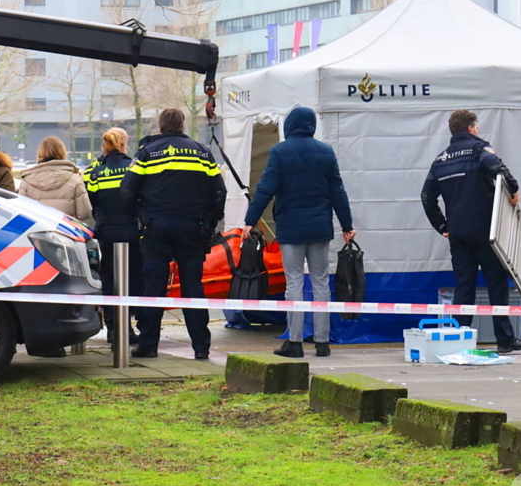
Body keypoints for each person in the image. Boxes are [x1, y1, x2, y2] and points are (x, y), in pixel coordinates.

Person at [242, 107, 355, 359]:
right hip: (319, 228)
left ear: (289, 125)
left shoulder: (280, 152)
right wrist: (347, 226)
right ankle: (323, 342)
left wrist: (249, 220)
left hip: (291, 228)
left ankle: (294, 342)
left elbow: (265, 189)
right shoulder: (325, 152)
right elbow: (338, 191)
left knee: (294, 282)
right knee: (320, 282)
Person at [421, 109, 521, 354]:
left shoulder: (440, 160)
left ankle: (459, 339)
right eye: (477, 128)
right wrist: (513, 190)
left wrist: (442, 226)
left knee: (464, 286)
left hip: (458, 234)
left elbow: (427, 196)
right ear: (471, 128)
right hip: (486, 231)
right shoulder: (479, 149)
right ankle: (505, 341)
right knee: (496, 284)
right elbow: (498, 169)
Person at [122, 108, 226, 360]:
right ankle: (201, 347)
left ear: (161, 126)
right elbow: (219, 192)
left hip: (156, 227)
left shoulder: (147, 153)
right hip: (192, 228)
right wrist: (209, 223)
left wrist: (141, 215)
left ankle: (148, 344)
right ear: (182, 126)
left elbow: (126, 190)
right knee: (193, 287)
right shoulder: (202, 152)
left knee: (153, 287)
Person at [84, 127, 142, 345]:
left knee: (109, 280)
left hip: (106, 232)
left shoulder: (93, 171)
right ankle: (136, 328)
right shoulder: (133, 168)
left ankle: (113, 329)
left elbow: (92, 203)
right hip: (132, 231)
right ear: (124, 144)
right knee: (135, 279)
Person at [19, 136, 92, 220]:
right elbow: (84, 213)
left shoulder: (27, 181)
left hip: (37, 231)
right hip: (65, 230)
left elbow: (22, 213)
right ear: (62, 152)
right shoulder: (74, 179)